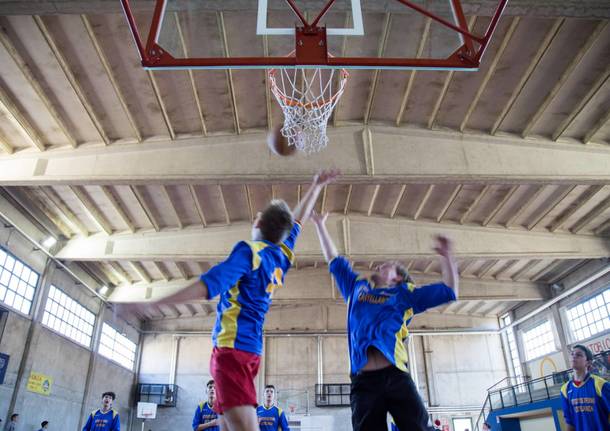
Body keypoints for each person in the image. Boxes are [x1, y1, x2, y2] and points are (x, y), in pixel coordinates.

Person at [151, 170, 339, 431]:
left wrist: (153, 303)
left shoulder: (249, 251)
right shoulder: (281, 255)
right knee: (228, 426)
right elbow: (298, 221)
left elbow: (210, 284)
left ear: (257, 222)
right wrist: (316, 186)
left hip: (232, 350)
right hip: (249, 350)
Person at [311, 212, 458, 431]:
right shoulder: (356, 288)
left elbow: (449, 290)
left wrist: (447, 257)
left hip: (396, 376)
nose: (379, 266)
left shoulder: (404, 295)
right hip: (364, 382)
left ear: (397, 278)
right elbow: (334, 260)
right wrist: (320, 225)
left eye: (387, 265)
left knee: (419, 427)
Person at [560, 344, 610, 431]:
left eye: (579, 355)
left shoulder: (600, 385)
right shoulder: (565, 389)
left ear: (588, 362)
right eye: (572, 354)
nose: (574, 356)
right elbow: (570, 422)